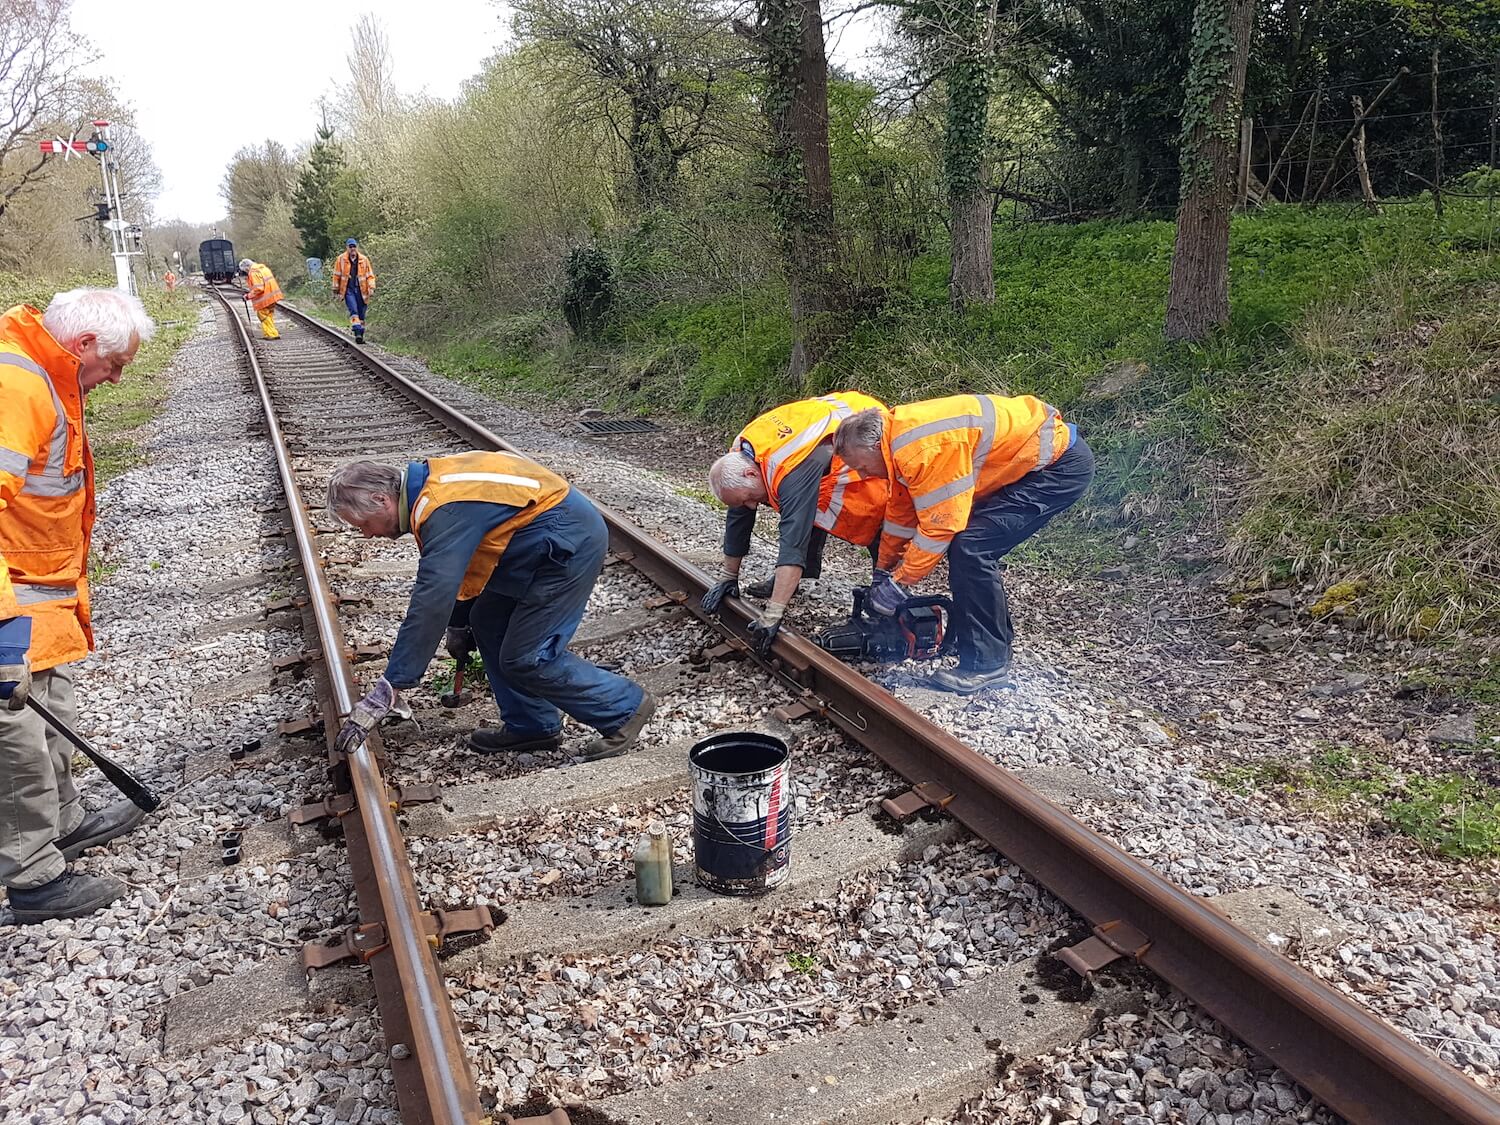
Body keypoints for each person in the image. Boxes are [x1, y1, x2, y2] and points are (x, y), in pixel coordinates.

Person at [326, 451, 655, 760]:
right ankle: (533, 726)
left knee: (528, 656)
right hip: (530, 542)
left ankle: (623, 707)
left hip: (565, 545)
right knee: (487, 621)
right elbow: (460, 567)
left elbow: (432, 597)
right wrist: (460, 622)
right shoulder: (428, 489)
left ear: (381, 499)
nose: (367, 535)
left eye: (362, 525)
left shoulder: (441, 506)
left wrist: (393, 684)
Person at [0, 288, 157, 923]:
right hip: (10, 601)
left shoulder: (49, 377)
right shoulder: (17, 388)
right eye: (115, 365)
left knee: (51, 712)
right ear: (85, 344)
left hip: (41, 595)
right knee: (17, 738)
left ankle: (64, 822)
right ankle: (33, 878)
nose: (115, 379)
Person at [832, 394, 1094, 694]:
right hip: (1031, 469)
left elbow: (940, 525)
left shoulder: (922, 448)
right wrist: (883, 569)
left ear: (874, 445)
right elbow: (901, 515)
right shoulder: (899, 440)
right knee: (970, 545)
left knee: (971, 547)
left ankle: (987, 664)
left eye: (862, 466)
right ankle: (992, 644)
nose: (864, 475)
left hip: (1057, 468)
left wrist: (900, 583)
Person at [702, 392, 889, 655]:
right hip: (824, 438)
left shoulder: (791, 471)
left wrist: (773, 613)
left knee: (875, 519)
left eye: (750, 499)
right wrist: (727, 577)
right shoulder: (741, 452)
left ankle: (887, 601)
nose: (753, 506)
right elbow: (739, 516)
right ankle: (798, 576)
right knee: (804, 506)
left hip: (864, 441)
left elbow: (793, 541)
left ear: (750, 473)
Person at [331, 238, 375, 344]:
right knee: (354, 311)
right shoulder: (341, 259)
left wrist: (372, 287)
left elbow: (370, 275)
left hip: (362, 291)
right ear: (347, 248)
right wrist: (335, 289)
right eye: (350, 247)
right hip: (348, 290)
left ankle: (361, 334)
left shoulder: (364, 260)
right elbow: (336, 275)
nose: (352, 249)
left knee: (362, 314)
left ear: (357, 247)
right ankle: (357, 333)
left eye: (354, 246)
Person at [239, 257, 283, 339]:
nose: (246, 272)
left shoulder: (253, 272)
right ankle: (272, 332)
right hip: (272, 296)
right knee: (269, 315)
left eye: (245, 270)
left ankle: (271, 334)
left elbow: (258, 288)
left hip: (264, 299)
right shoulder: (263, 268)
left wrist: (248, 296)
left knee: (263, 316)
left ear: (247, 267)